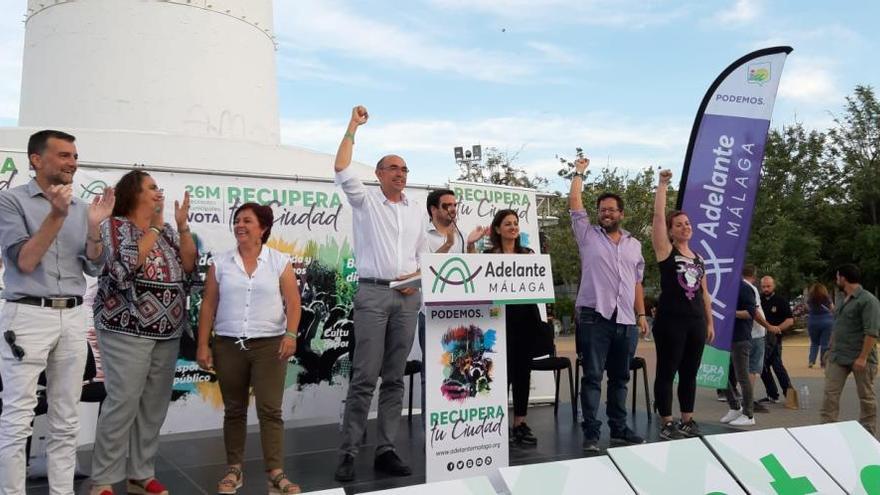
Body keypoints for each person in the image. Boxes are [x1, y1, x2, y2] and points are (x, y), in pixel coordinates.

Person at [0, 130, 114, 494]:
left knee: (66, 420)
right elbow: (26, 260)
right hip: (28, 316)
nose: (73, 163)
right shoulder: (10, 202)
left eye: (75, 156)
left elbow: (95, 268)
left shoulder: (83, 209)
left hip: (73, 317)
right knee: (18, 420)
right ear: (36, 159)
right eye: (64, 155)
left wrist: (95, 227)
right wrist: (56, 215)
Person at [333, 106, 427, 482]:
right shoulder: (365, 200)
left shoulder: (417, 211)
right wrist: (352, 127)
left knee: (395, 378)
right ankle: (348, 451)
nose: (400, 174)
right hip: (372, 295)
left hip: (407, 299)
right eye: (393, 168)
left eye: (404, 169)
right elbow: (341, 167)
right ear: (378, 174)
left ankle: (386, 449)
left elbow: (423, 257)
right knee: (363, 377)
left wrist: (416, 280)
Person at [89, 170, 196, 495]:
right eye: (151, 188)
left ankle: (140, 473)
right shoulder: (113, 226)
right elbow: (126, 265)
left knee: (154, 404)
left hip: (167, 331)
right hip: (126, 328)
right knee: (123, 401)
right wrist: (154, 226)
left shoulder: (164, 232)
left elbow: (189, 267)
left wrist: (181, 227)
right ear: (133, 193)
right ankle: (103, 479)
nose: (158, 193)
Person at [196, 202, 302, 495]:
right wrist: (203, 344)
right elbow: (208, 305)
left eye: (247, 221)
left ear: (263, 228)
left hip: (270, 345)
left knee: (270, 409)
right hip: (228, 344)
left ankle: (276, 473)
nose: (240, 225)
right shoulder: (221, 262)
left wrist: (291, 334)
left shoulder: (279, 261)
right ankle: (233, 469)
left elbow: (293, 302)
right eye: (237, 220)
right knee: (234, 409)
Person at [569, 157, 648, 452]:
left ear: (621, 214)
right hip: (594, 316)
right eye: (602, 210)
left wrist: (641, 314)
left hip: (626, 320)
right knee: (591, 377)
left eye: (611, 210)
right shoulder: (587, 235)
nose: (606, 213)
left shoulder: (634, 244)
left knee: (620, 378)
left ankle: (619, 429)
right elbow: (575, 202)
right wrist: (579, 173)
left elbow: (637, 282)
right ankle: (591, 433)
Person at [650, 169, 714, 440]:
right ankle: (666, 421)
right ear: (671, 231)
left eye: (688, 223)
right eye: (679, 225)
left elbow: (705, 293)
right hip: (670, 321)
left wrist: (709, 322)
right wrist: (662, 185)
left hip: (695, 321)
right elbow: (657, 218)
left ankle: (687, 419)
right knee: (668, 370)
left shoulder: (699, 258)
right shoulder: (666, 251)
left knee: (690, 372)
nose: (685, 227)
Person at [417, 189, 485, 415]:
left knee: (461, 371)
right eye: (447, 205)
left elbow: (472, 272)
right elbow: (425, 269)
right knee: (434, 373)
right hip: (432, 314)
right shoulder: (422, 235)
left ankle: (457, 423)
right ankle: (431, 430)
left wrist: (472, 245)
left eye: (455, 204)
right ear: (433, 209)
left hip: (460, 314)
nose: (453, 209)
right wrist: (447, 245)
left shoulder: (462, 234)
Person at [484, 209, 543, 446]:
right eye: (507, 223)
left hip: (526, 320)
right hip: (498, 321)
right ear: (497, 229)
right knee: (499, 374)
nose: (513, 227)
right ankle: (495, 423)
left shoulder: (528, 254)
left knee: (522, 373)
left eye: (515, 223)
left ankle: (520, 422)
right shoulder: (488, 256)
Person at [820, 264, 880, 435]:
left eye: (837, 277)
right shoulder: (842, 298)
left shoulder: (868, 301)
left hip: (861, 358)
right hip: (838, 356)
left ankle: (867, 431)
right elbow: (837, 326)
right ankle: (826, 431)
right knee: (830, 395)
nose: (836, 280)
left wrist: (862, 358)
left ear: (843, 278)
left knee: (866, 397)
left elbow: (871, 332)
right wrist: (829, 349)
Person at [720, 279, 759, 427]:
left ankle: (749, 415)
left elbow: (751, 312)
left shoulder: (744, 288)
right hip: (723, 337)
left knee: (742, 376)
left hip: (740, 337)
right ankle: (735, 407)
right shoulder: (723, 286)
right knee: (720, 374)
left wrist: (731, 313)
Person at [758, 276, 794, 404]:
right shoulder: (759, 300)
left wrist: (777, 328)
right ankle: (772, 394)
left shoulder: (780, 301)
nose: (766, 289)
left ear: (774, 286)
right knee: (762, 367)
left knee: (778, 367)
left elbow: (790, 320)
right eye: (763, 287)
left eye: (768, 286)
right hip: (761, 339)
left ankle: (790, 396)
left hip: (775, 340)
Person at [806, 283, 834, 368]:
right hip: (827, 321)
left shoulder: (811, 299)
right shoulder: (826, 298)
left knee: (814, 343)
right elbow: (832, 308)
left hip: (813, 321)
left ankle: (811, 361)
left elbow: (807, 308)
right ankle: (823, 362)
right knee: (825, 343)